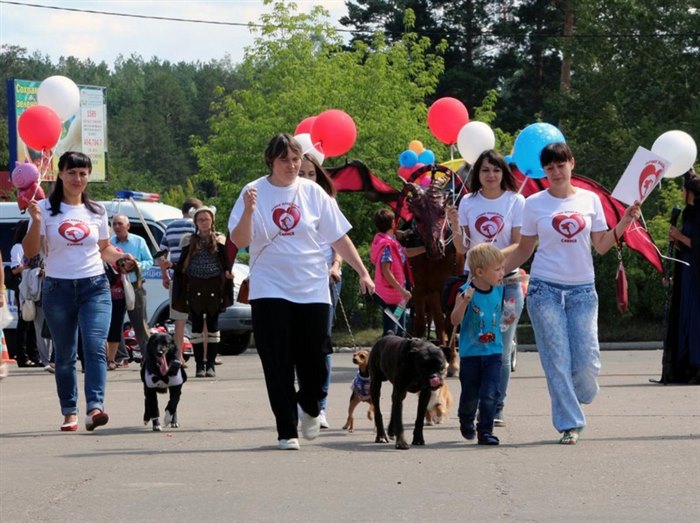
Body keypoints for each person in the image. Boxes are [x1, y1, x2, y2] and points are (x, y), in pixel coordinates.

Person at [228, 133, 374, 451]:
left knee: (316, 359)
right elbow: (239, 240)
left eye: (296, 159)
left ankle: (309, 406)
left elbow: (339, 237)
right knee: (277, 361)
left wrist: (363, 271)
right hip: (269, 287)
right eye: (285, 160)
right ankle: (286, 431)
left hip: (311, 287)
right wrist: (250, 211)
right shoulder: (253, 191)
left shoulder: (313, 192)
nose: (292, 166)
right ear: (271, 161)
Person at [504, 142, 641, 444]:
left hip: (582, 291)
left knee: (588, 363)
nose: (556, 172)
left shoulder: (590, 200)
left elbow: (601, 245)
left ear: (571, 164)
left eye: (560, 165)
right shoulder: (534, 204)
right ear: (544, 171)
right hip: (544, 290)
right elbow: (524, 249)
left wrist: (625, 221)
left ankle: (575, 395)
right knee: (556, 359)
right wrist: (496, 271)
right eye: (550, 167)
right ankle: (570, 423)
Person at [23, 151, 136, 432]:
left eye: (83, 173)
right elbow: (31, 251)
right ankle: (69, 411)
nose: (77, 178)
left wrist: (121, 259)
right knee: (64, 354)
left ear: (88, 177)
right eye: (72, 172)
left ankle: (95, 407)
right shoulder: (44, 208)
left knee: (95, 347)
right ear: (60, 174)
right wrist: (35, 222)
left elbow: (104, 249)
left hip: (94, 286)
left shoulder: (96, 210)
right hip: (57, 288)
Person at [448, 149, 526, 427]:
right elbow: (462, 248)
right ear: (477, 174)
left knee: (500, 349)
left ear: (504, 173)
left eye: (496, 169)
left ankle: (495, 407)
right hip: (476, 286)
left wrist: (492, 259)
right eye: (485, 170)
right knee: (475, 346)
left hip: (508, 285)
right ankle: (473, 403)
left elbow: (519, 243)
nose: (491, 175)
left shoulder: (516, 201)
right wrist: (455, 224)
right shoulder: (468, 202)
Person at [298, 152, 343, 429]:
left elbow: (339, 240)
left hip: (326, 279)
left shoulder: (327, 201)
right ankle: (303, 398)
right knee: (297, 344)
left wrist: (335, 265)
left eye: (311, 173)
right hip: (296, 280)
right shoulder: (286, 200)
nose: (306, 178)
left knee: (321, 344)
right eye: (301, 173)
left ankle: (320, 404)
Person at [451, 243, 508, 446]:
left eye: (502, 268)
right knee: (470, 394)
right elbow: (454, 320)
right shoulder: (465, 292)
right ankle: (466, 419)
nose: (502, 273)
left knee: (490, 394)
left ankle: (485, 431)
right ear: (480, 272)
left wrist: (508, 319)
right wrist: (464, 302)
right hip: (471, 355)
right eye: (497, 269)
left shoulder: (499, 290)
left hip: (494, 352)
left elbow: (500, 317)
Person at [172, 206, 232, 378]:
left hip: (214, 287)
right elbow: (182, 264)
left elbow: (227, 261)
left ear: (212, 221)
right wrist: (171, 267)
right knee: (197, 327)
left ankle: (210, 365)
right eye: (200, 220)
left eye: (206, 219)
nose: (203, 223)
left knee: (213, 327)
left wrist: (228, 273)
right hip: (194, 287)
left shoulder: (220, 240)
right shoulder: (189, 240)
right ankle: (199, 365)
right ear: (195, 222)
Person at [663, 170, 700, 384]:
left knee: (695, 318)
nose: (680, 192)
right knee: (685, 316)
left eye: (683, 189)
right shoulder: (688, 213)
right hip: (687, 272)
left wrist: (681, 237)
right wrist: (677, 242)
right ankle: (687, 366)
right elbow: (688, 248)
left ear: (690, 192)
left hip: (696, 276)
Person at [159, 197, 202, 359]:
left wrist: (165, 274)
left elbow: (162, 253)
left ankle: (178, 355)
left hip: (177, 277)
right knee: (201, 316)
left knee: (179, 318)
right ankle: (204, 354)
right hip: (197, 276)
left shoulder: (170, 227)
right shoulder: (197, 226)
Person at [110, 214, 153, 354]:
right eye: (114, 224)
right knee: (115, 323)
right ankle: (120, 356)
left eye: (120, 224)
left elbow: (149, 261)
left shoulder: (138, 241)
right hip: (115, 286)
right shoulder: (110, 243)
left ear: (128, 226)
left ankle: (147, 355)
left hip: (135, 285)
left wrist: (136, 265)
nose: (117, 227)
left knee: (140, 322)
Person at [370, 208, 413, 336]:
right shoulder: (387, 245)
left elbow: (405, 253)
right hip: (392, 295)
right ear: (393, 223)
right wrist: (402, 290)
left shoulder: (390, 242)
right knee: (393, 332)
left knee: (399, 328)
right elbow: (386, 271)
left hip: (398, 297)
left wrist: (425, 249)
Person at [9, 222, 42, 368]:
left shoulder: (35, 246)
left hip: (34, 286)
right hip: (24, 286)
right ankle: (22, 356)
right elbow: (15, 269)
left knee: (33, 322)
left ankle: (34, 355)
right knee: (24, 322)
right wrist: (30, 266)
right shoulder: (18, 247)